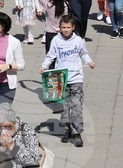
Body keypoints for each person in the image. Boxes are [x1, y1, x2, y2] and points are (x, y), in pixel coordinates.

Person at [40, 15, 94, 147]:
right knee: (64, 107)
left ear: (73, 27)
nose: (66, 30)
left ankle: (77, 132)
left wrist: (89, 62)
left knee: (76, 106)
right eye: (63, 27)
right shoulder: (56, 40)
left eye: (68, 27)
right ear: (60, 28)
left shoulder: (78, 40)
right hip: (61, 78)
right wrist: (44, 66)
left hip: (76, 78)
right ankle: (66, 130)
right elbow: (50, 56)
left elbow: (83, 53)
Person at [0, 104, 42, 168]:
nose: (3, 131)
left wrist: (12, 146)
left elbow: (34, 160)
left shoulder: (27, 131)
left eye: (7, 127)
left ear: (14, 122)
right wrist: (1, 149)